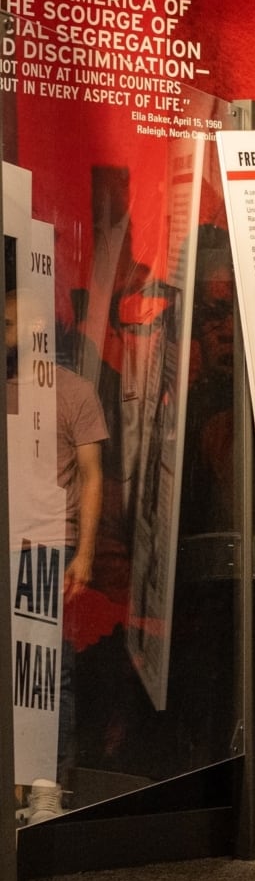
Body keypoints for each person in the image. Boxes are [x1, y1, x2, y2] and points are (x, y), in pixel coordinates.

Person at [7, 288, 108, 822]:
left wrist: (84, 552)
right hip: (18, 542)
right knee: (24, 667)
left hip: (45, 545)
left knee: (47, 669)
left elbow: (93, 477)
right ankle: (27, 782)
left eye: (10, 322)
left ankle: (46, 786)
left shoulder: (71, 392)